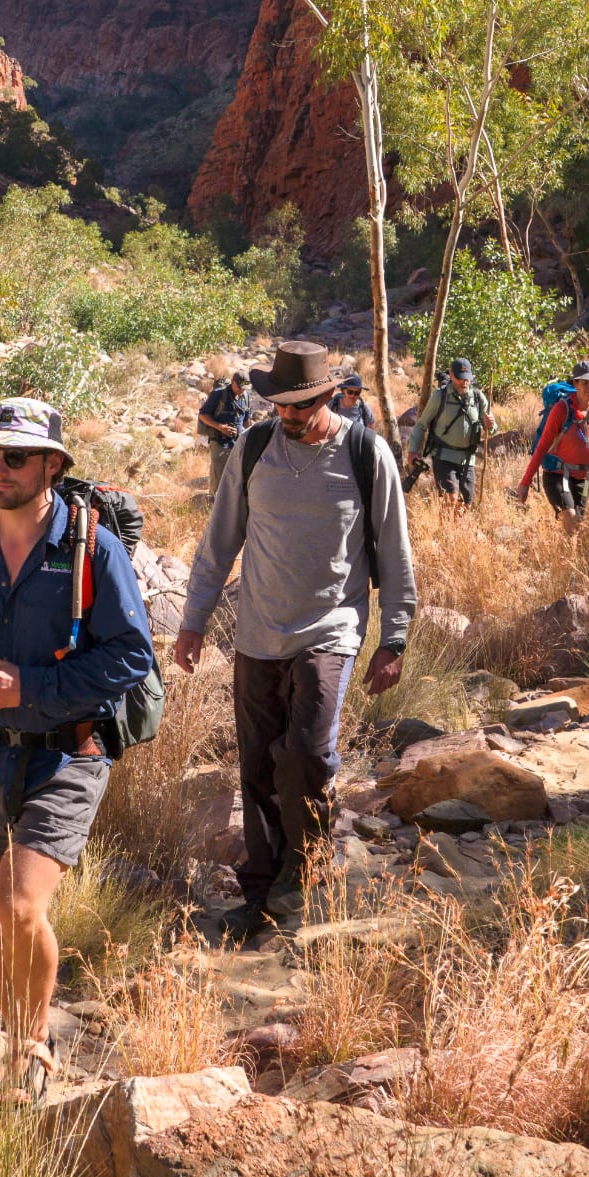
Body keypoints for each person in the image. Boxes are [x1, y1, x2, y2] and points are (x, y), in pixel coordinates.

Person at [0, 398, 155, 1096]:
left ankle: (33, 1049)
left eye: (13, 457)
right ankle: (15, 1044)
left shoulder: (90, 548)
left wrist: (30, 686)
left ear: (52, 465)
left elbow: (129, 657)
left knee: (22, 907)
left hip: (68, 751)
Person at [178, 341, 417, 944]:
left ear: (329, 395)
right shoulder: (255, 447)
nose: (286, 415)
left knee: (307, 755)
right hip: (257, 631)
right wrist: (194, 621)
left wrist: (394, 638)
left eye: (300, 406)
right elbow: (219, 540)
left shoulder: (366, 452)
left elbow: (393, 550)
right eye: (278, 405)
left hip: (331, 629)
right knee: (258, 766)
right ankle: (262, 893)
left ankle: (303, 871)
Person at [515, 359, 589, 518]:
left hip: (584, 477)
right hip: (557, 473)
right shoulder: (562, 409)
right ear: (575, 383)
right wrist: (525, 483)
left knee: (578, 523)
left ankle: (564, 544)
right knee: (570, 516)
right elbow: (542, 447)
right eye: (585, 383)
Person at [406, 358, 491, 504]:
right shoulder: (440, 396)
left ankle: (455, 527)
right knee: (451, 498)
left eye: (467, 379)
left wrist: (491, 424)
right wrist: (412, 451)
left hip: (467, 458)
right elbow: (421, 425)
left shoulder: (478, 398)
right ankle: (444, 525)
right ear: (451, 376)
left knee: (465, 504)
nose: (464, 382)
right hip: (443, 456)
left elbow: (491, 428)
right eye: (459, 378)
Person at [197, 370, 253, 493]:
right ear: (233, 382)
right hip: (219, 442)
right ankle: (213, 502)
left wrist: (249, 437)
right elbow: (203, 415)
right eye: (240, 387)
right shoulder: (218, 394)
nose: (242, 390)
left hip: (239, 443)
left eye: (244, 388)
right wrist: (220, 427)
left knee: (238, 476)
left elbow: (247, 419)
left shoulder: (246, 396)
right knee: (218, 476)